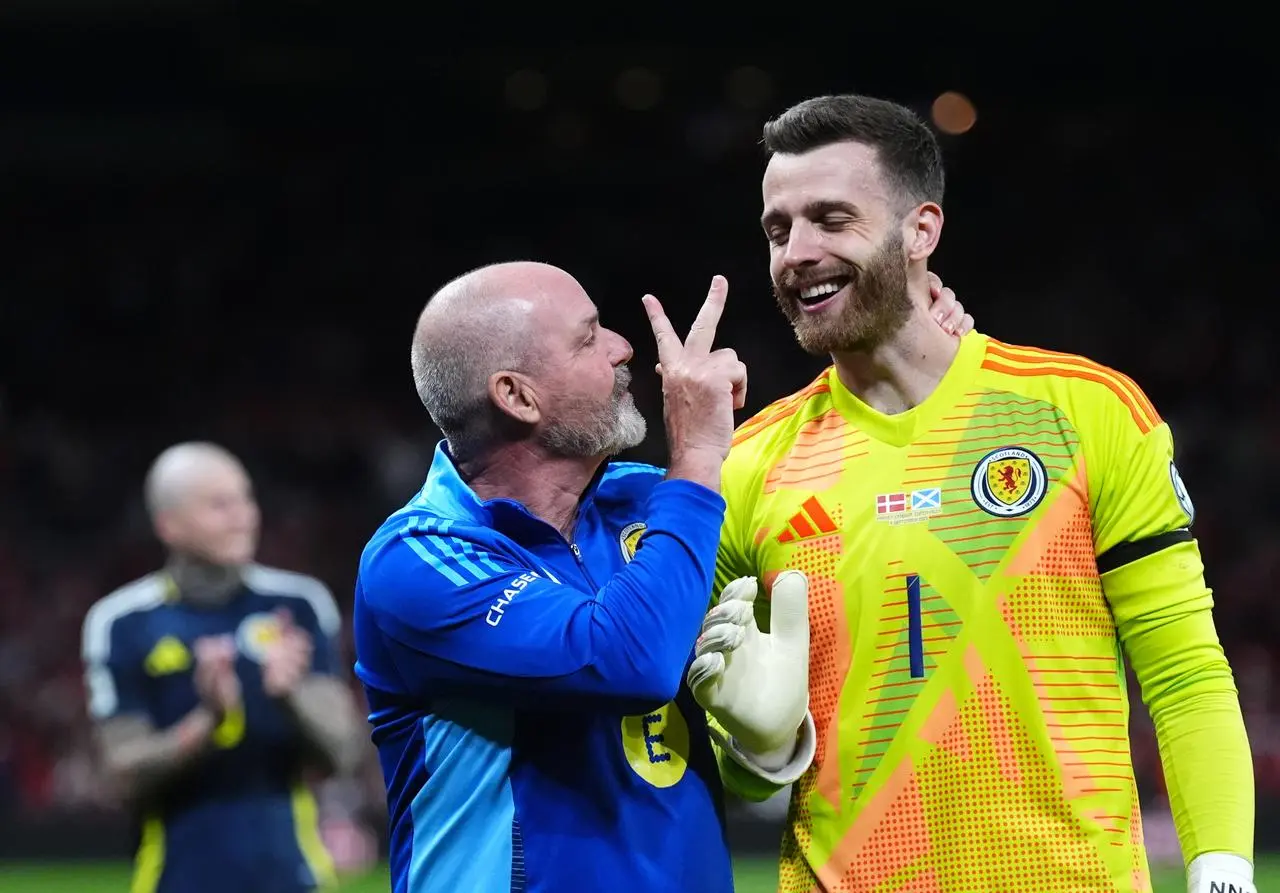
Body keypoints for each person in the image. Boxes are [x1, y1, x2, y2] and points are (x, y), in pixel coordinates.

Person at [707, 94, 1255, 893]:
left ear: (921, 230)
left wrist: (1224, 876)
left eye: (831, 218)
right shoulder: (749, 465)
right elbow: (740, 759)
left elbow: (1185, 673)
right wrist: (754, 753)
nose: (797, 253)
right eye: (778, 229)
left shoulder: (1084, 412)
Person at [352, 260, 971, 893]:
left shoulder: (651, 502)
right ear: (517, 397)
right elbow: (628, 660)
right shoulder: (419, 559)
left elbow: (848, 507)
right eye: (589, 338)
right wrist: (699, 452)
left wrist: (914, 345)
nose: (624, 348)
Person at [80, 442, 367, 893]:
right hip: (174, 878)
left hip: (293, 876)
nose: (244, 515)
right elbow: (121, 775)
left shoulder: (296, 603)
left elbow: (345, 753)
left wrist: (290, 696)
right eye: (220, 504)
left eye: (246, 498)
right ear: (168, 525)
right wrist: (207, 722)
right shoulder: (122, 622)